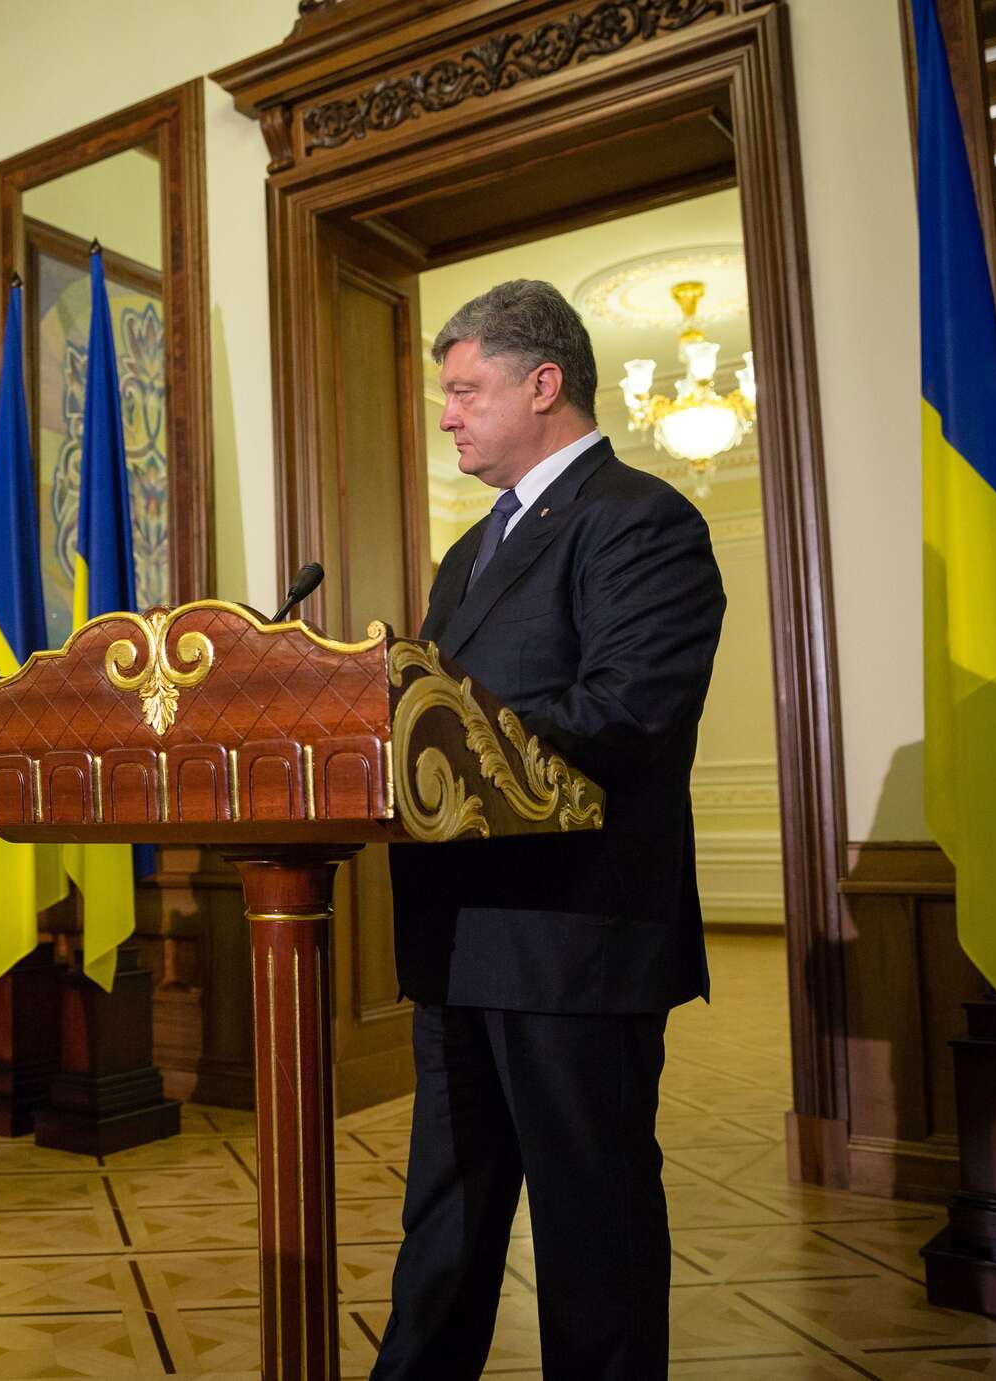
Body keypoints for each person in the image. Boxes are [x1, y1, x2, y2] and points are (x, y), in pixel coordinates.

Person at [372, 280, 726, 1379]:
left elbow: (629, 711)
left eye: (463, 390)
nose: (445, 416)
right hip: (458, 935)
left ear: (542, 383)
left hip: (575, 940)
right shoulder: (464, 554)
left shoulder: (641, 520)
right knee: (444, 1223)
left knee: (591, 1234)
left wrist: (448, 745)